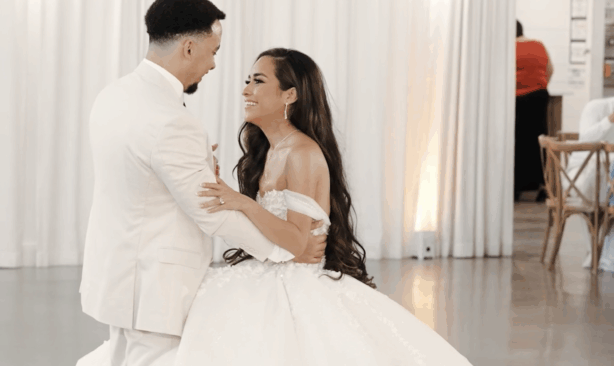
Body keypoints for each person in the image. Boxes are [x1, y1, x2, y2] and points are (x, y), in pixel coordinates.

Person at [82, 49, 473, 365]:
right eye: (247, 80)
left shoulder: (302, 152)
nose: (246, 88)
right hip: (267, 273)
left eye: (259, 80)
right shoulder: (270, 151)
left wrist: (241, 204)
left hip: (296, 285)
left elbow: (300, 246)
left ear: (290, 95)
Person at [77, 0, 326, 366]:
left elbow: (141, 175)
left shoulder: (112, 96)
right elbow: (209, 212)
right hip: (154, 286)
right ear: (189, 48)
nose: (213, 65)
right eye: (214, 51)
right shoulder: (173, 120)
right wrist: (286, 251)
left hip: (115, 273)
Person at [567, 97, 614, 269]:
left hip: (607, 178)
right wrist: (609, 120)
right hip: (581, 175)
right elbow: (585, 139)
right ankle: (598, 250)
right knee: (599, 175)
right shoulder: (595, 108)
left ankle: (602, 251)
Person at [515, 20, 553, 200]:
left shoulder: (510, 48)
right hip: (539, 97)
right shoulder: (539, 45)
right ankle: (542, 186)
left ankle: (517, 187)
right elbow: (550, 70)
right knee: (538, 140)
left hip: (517, 99)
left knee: (518, 143)